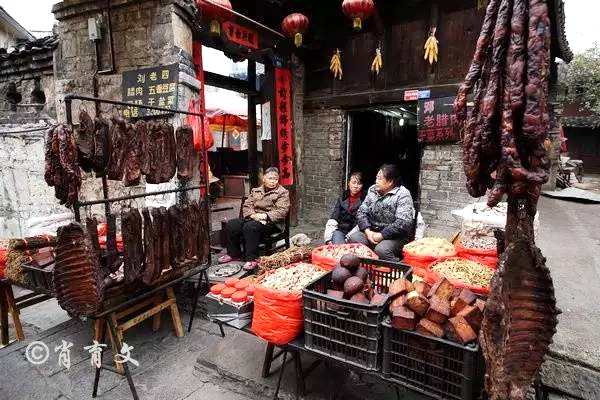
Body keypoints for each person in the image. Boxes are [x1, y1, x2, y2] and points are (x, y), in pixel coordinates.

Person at [218, 167, 290, 270]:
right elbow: (247, 205)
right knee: (232, 225)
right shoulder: (256, 191)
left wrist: (264, 216)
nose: (273, 181)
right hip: (253, 218)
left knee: (250, 227)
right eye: (270, 178)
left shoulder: (282, 192)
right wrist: (252, 215)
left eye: (275, 179)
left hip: (271, 223)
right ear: (264, 178)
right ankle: (234, 254)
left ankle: (252, 259)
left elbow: (282, 211)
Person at [348, 164, 415, 261]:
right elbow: (361, 212)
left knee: (382, 250)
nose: (376, 181)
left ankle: (399, 267)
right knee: (354, 238)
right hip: (372, 232)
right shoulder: (373, 190)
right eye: (376, 178)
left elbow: (403, 223)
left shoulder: (403, 194)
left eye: (379, 179)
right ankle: (368, 266)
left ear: (390, 182)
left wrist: (381, 235)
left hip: (394, 237)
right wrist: (368, 232)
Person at [324, 172, 365, 244]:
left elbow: (362, 222)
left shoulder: (365, 199)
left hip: (355, 232)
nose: (356, 186)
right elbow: (334, 216)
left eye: (359, 183)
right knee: (338, 247)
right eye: (353, 182)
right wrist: (328, 240)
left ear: (362, 185)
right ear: (349, 183)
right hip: (341, 230)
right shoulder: (343, 197)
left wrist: (348, 238)